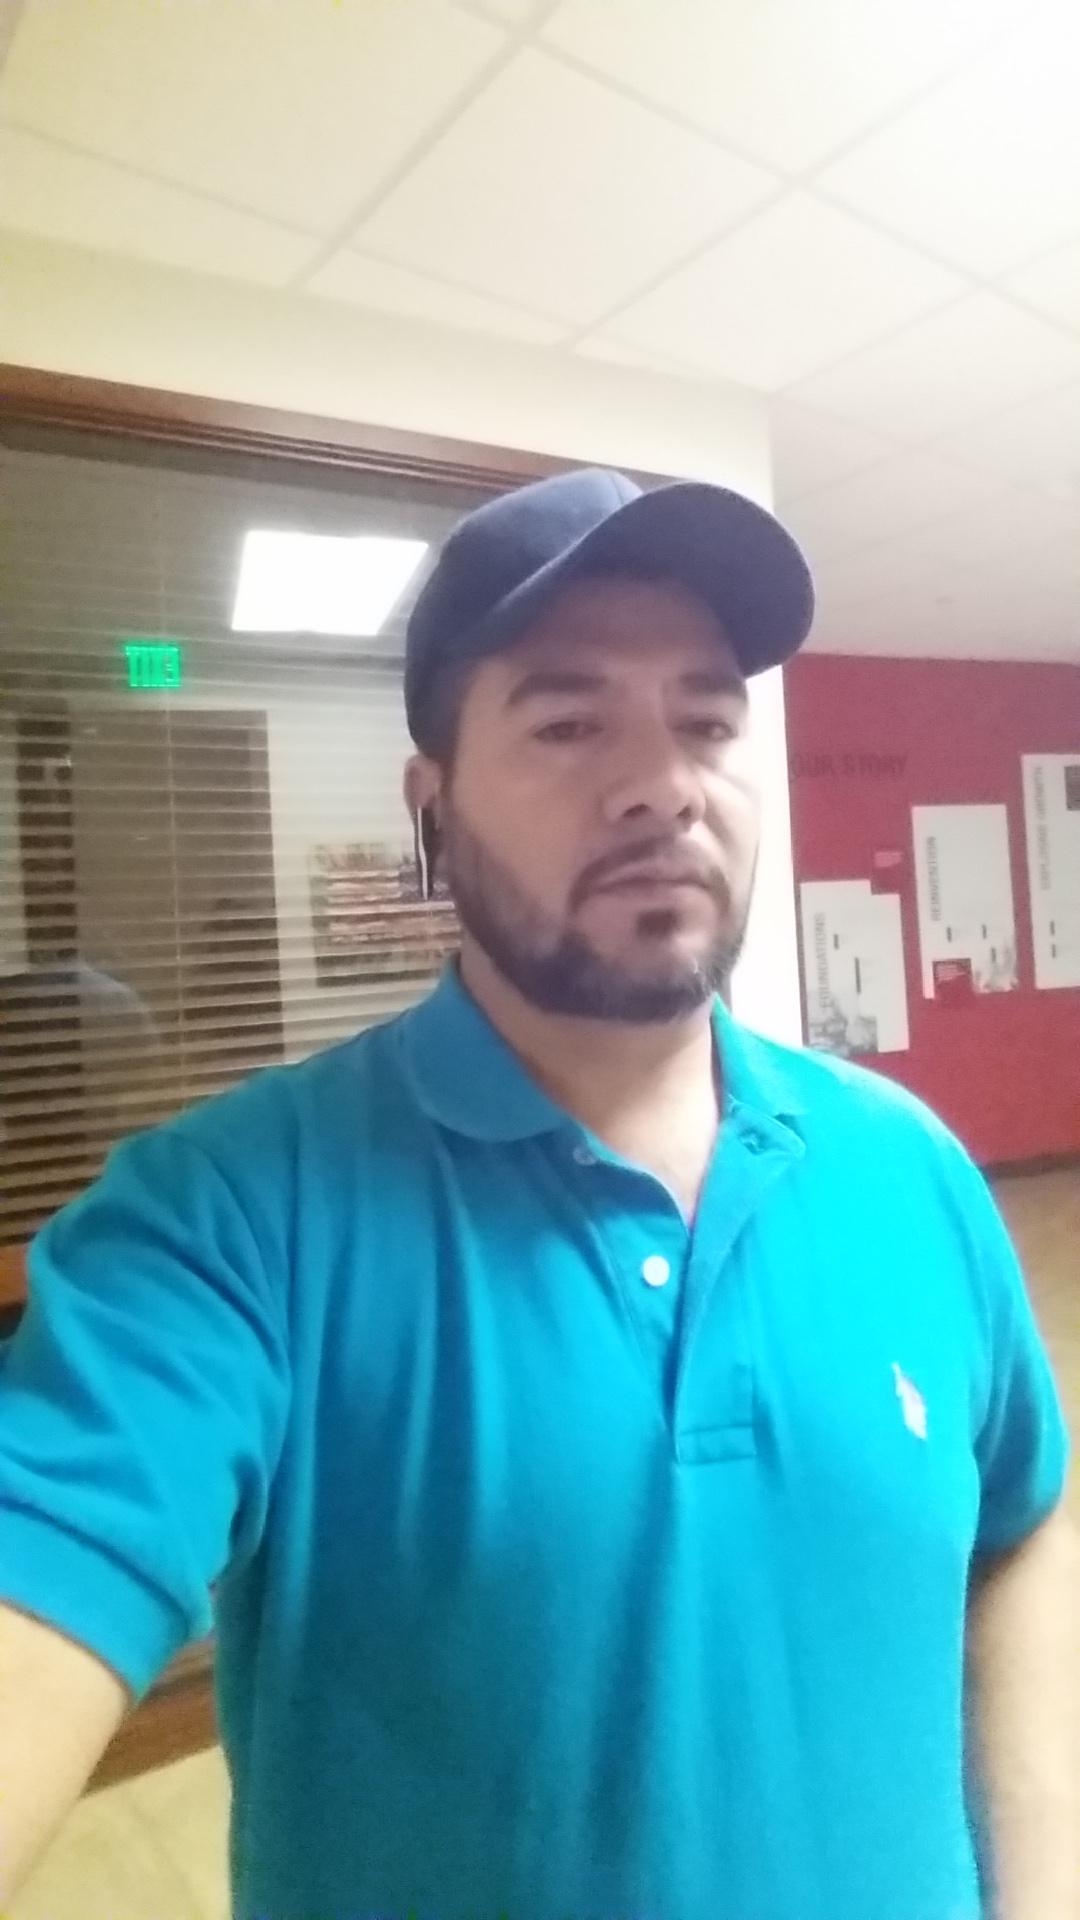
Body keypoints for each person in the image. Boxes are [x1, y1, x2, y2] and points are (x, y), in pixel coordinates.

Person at [0, 469, 1074, 1920]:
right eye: (569, 724)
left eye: (708, 722)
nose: (662, 782)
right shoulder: (227, 1222)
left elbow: (1024, 1520)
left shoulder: (912, 1163)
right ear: (433, 809)